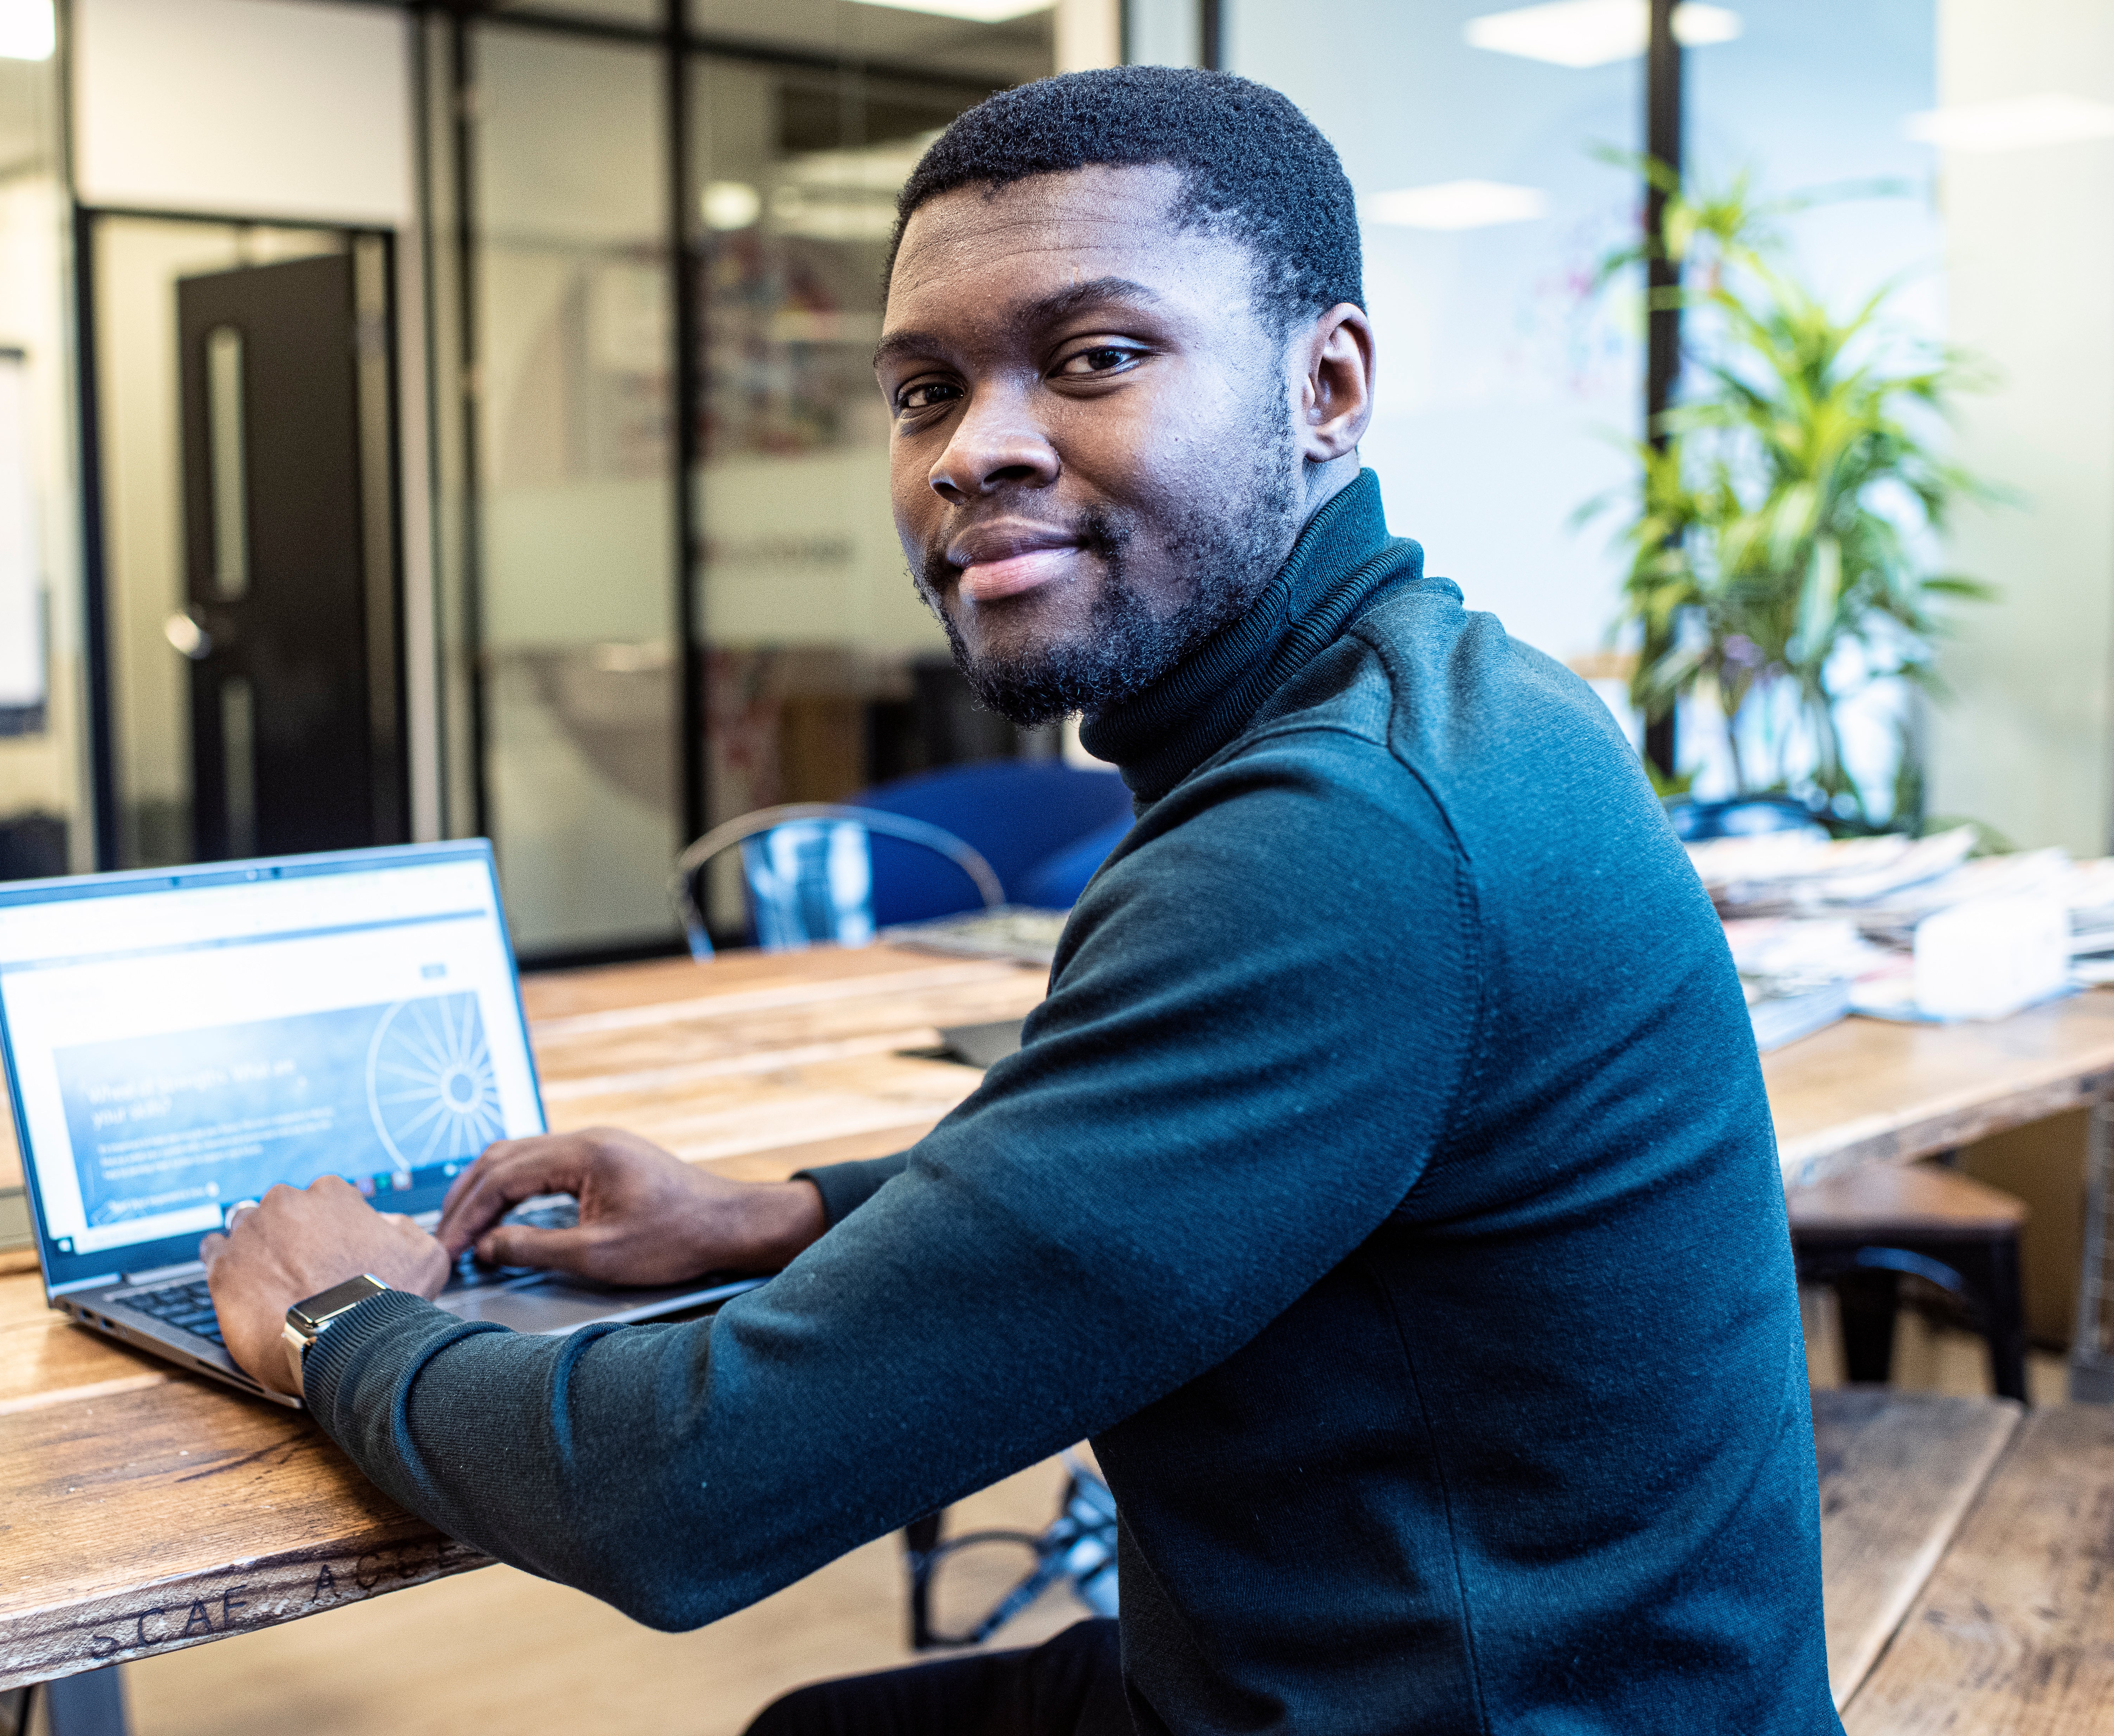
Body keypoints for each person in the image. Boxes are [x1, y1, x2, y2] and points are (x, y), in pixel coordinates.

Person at [201, 65, 1841, 1736]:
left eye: (1095, 356)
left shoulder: (1339, 837)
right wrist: (783, 1213)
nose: (974, 449)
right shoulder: (1438, 704)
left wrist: (330, 1319)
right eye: (923, 389)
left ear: (1326, 385)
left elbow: (682, 1487)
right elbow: (1126, 1159)